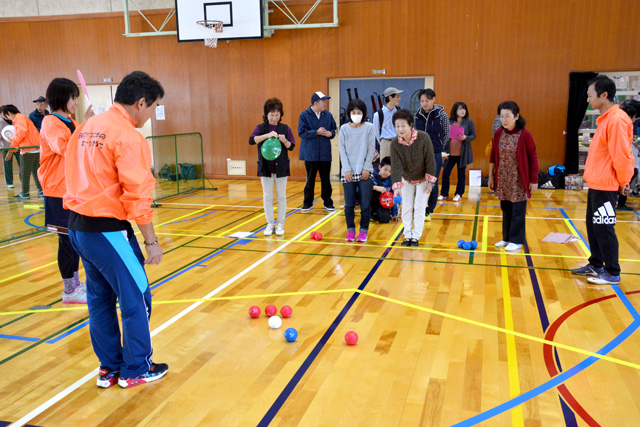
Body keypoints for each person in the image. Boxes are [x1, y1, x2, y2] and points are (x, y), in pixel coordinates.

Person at [65, 71, 168, 388]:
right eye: (151, 108)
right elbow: (138, 194)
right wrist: (151, 241)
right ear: (140, 103)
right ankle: (136, 368)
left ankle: (109, 367)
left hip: (78, 228)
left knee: (100, 299)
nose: (150, 115)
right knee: (137, 297)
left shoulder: (87, 126)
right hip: (107, 231)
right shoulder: (128, 136)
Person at [571, 76, 634, 285]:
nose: (588, 99)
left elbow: (622, 155)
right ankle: (596, 264)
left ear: (604, 95)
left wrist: (624, 182)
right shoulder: (606, 119)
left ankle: (612, 271)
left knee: (604, 228)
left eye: (590, 95)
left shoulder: (616, 120)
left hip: (607, 185)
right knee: (594, 225)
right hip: (596, 184)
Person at [39, 78, 94, 304]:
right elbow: (67, 147)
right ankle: (69, 291)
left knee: (74, 239)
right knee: (67, 240)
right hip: (57, 190)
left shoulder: (70, 121)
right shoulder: (51, 123)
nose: (76, 102)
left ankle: (75, 284)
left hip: (72, 190)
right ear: (61, 97)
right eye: (73, 97)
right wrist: (85, 124)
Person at [488, 101, 539, 252]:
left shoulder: (525, 134)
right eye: (502, 116)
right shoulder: (498, 133)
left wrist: (533, 180)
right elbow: (492, 156)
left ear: (516, 116)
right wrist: (491, 176)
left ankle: (516, 240)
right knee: (506, 208)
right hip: (503, 178)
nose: (504, 120)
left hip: (519, 179)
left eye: (507, 116)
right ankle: (507, 238)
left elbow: (533, 157)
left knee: (518, 210)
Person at [249, 98, 296, 236]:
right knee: (267, 196)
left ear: (281, 114)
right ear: (266, 114)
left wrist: (284, 140)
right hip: (265, 168)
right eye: (271, 114)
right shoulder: (261, 128)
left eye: (277, 114)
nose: (274, 117)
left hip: (281, 168)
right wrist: (267, 135)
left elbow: (291, 146)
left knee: (281, 196)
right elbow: (252, 140)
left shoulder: (285, 128)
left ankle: (281, 223)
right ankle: (270, 224)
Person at [390, 109, 437, 247]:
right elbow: (396, 165)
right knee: (406, 207)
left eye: (403, 125)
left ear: (411, 125)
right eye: (397, 126)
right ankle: (407, 235)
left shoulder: (423, 138)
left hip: (423, 178)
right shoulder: (395, 144)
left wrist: (429, 181)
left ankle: (416, 236)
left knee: (419, 207)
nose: (400, 129)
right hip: (406, 179)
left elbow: (430, 160)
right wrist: (397, 187)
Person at [339, 98, 375, 243]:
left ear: (363, 113)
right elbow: (342, 150)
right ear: (349, 113)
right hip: (348, 172)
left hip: (365, 170)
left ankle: (363, 231)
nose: (356, 114)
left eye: (358, 112)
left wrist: (366, 167)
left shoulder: (369, 127)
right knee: (349, 204)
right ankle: (350, 230)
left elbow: (371, 148)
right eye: (353, 112)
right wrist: (346, 169)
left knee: (365, 204)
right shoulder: (344, 129)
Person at [414, 89, 450, 221]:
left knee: (432, 182)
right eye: (422, 101)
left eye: (427, 100)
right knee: (419, 181)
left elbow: (446, 134)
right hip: (419, 154)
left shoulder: (442, 115)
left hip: (435, 153)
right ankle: (419, 208)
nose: (424, 104)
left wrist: (439, 147)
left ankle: (429, 210)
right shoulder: (416, 116)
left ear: (434, 99)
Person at [298, 91, 337, 213]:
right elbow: (302, 132)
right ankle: (307, 203)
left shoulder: (328, 115)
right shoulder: (304, 115)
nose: (325, 103)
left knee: (326, 179)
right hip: (310, 154)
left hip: (325, 153)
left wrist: (331, 133)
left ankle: (328, 202)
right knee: (310, 179)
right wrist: (316, 132)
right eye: (322, 101)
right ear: (315, 103)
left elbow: (333, 129)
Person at [1, 104, 43, 199]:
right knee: (35, 171)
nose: (4, 118)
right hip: (35, 148)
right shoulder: (22, 118)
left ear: (8, 113)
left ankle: (25, 193)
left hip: (28, 150)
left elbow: (21, 133)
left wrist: (11, 151)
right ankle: (41, 191)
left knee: (24, 172)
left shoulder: (19, 119)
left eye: (4, 115)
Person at [440, 102, 476, 202]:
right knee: (446, 173)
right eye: (460, 109)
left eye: (464, 109)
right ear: (455, 110)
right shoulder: (449, 121)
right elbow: (443, 136)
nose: (462, 111)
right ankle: (444, 193)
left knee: (461, 174)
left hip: (462, 154)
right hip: (449, 153)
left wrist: (466, 138)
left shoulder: (468, 121)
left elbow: (473, 136)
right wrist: (443, 151)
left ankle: (459, 194)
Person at [616, 99, 640, 210]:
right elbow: (621, 152)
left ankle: (620, 200)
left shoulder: (620, 120)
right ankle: (620, 202)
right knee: (631, 173)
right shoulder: (622, 123)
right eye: (636, 118)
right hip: (614, 165)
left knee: (633, 172)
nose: (635, 121)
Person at [372, 87, 403, 160]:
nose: (399, 99)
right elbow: (376, 132)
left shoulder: (399, 112)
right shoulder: (378, 114)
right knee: (385, 166)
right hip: (385, 142)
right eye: (397, 97)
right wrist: (383, 143)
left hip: (398, 142)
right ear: (390, 98)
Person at [371, 156, 399, 223]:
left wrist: (394, 214)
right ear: (380, 167)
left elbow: (393, 197)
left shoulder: (391, 180)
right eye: (385, 170)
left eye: (390, 171)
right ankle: (370, 212)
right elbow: (363, 188)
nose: (387, 173)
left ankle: (376, 213)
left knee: (385, 219)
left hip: (382, 203)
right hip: (370, 201)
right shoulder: (372, 175)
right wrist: (376, 187)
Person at [1, 115, 20, 189]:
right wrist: (1, 147)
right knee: (7, 165)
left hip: (17, 146)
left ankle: (23, 180)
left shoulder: (15, 121)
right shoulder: (1, 122)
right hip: (6, 147)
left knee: (22, 164)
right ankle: (9, 182)